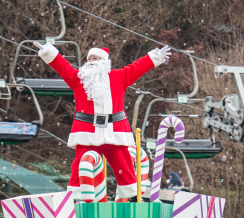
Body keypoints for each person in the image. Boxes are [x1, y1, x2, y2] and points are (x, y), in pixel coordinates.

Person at [34, 42, 172, 201]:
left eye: (95, 58)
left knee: (123, 163)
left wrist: (156, 56)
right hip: (88, 132)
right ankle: (77, 197)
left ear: (104, 62)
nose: (91, 61)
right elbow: (62, 66)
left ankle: (131, 195)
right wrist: (49, 53)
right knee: (80, 163)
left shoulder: (119, 76)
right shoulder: (79, 79)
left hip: (114, 132)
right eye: (89, 58)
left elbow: (137, 67)